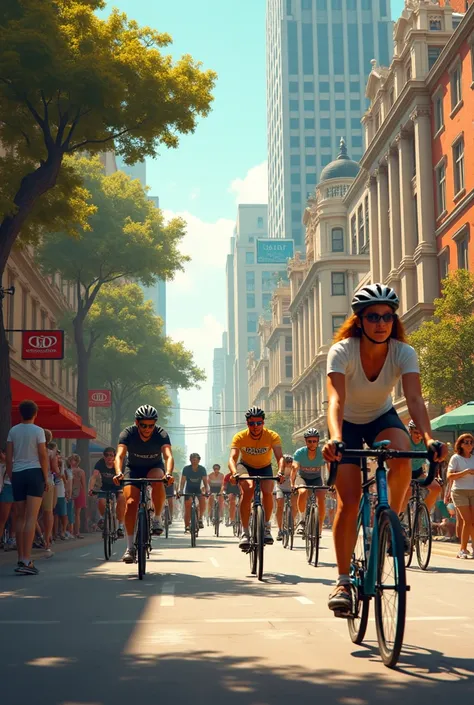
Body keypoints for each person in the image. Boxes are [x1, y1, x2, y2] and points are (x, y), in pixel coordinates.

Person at [323, 284, 446, 615]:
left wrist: (430, 438)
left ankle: (389, 520)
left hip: (381, 417)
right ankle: (344, 581)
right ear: (360, 321)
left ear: (394, 321)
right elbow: (336, 399)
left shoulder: (403, 352)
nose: (381, 322)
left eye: (387, 317)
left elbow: (416, 400)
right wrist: (335, 437)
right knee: (348, 503)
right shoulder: (342, 351)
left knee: (404, 456)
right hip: (346, 423)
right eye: (373, 316)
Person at [113, 405, 174, 563]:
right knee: (131, 502)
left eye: (151, 425)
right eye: (143, 425)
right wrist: (118, 472)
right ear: (136, 423)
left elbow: (168, 456)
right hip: (132, 469)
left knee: (158, 479)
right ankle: (129, 547)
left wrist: (168, 473)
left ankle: (157, 518)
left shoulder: (161, 434)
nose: (147, 429)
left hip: (154, 468)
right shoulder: (128, 433)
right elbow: (119, 455)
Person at [228, 406, 284, 549]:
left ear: (263, 423)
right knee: (249, 488)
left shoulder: (272, 436)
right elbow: (232, 458)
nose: (255, 426)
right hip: (245, 466)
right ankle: (245, 532)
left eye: (259, 423)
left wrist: (281, 471)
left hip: (265, 467)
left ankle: (266, 527)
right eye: (252, 423)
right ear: (247, 424)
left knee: (267, 491)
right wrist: (234, 473)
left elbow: (280, 457)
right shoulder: (240, 437)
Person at [6, 400, 49, 575]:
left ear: (20, 413)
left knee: (19, 517)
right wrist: (45, 477)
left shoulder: (13, 431)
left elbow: (9, 456)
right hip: (34, 473)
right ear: (35, 413)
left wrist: (11, 474)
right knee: (31, 517)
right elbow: (42, 455)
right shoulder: (38, 431)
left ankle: (20, 557)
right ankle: (27, 559)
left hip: (17, 473)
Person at [292, 428, 327, 536]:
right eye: (309, 441)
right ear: (305, 441)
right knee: (303, 492)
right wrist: (292, 484)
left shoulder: (322, 452)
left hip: (316, 479)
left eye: (314, 441)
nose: (312, 444)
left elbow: (329, 466)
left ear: (318, 441)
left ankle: (319, 525)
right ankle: (302, 520)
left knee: (321, 497)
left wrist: (332, 483)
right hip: (302, 478)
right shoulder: (300, 452)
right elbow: (294, 468)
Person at [403, 420, 441, 513]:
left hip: (418, 472)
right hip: (404, 473)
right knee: (407, 492)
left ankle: (423, 514)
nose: (418, 435)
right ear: (410, 431)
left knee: (436, 488)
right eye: (416, 432)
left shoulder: (425, 442)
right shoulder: (405, 440)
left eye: (421, 433)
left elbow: (435, 457)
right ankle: (399, 515)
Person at [447, 433, 474, 559]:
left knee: (472, 522)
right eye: (466, 442)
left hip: (473, 490)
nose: (469, 444)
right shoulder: (455, 458)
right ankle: (462, 549)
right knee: (467, 520)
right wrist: (466, 472)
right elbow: (450, 476)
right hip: (459, 492)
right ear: (460, 444)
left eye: (471, 442)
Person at [88, 448, 125, 538]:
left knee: (121, 499)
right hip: (105, 487)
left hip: (118, 487)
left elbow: (123, 475)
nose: (109, 457)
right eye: (107, 455)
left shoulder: (118, 463)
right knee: (101, 501)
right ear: (104, 457)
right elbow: (94, 476)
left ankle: (120, 526)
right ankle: (103, 518)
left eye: (111, 455)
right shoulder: (100, 463)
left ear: (114, 456)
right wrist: (91, 489)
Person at [179, 453, 209, 532]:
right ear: (190, 460)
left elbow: (205, 482)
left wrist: (207, 490)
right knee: (188, 507)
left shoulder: (202, 469)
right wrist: (181, 490)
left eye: (195, 460)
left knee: (202, 500)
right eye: (192, 459)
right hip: (188, 489)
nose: (194, 461)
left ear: (199, 460)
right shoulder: (186, 469)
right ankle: (187, 526)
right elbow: (182, 482)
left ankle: (200, 518)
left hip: (197, 489)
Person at [275, 454, 297, 541]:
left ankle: (291, 521)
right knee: (280, 504)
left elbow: (295, 477)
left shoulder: (294, 467)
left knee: (295, 506)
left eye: (290, 462)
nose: (289, 463)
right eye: (287, 462)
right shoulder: (281, 467)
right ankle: (280, 529)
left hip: (290, 487)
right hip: (280, 487)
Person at [0, 447, 16, 550]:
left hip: (16, 488)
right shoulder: (3, 463)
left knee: (15, 516)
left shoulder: (16, 459)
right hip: (6, 488)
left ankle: (11, 538)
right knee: (3, 518)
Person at [71, 454, 86, 539]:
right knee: (70, 513)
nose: (71, 461)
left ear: (76, 462)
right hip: (70, 492)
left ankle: (77, 532)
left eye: (73, 460)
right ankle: (71, 531)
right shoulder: (69, 470)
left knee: (77, 513)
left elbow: (83, 484)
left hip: (78, 492)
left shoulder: (81, 471)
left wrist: (84, 495)